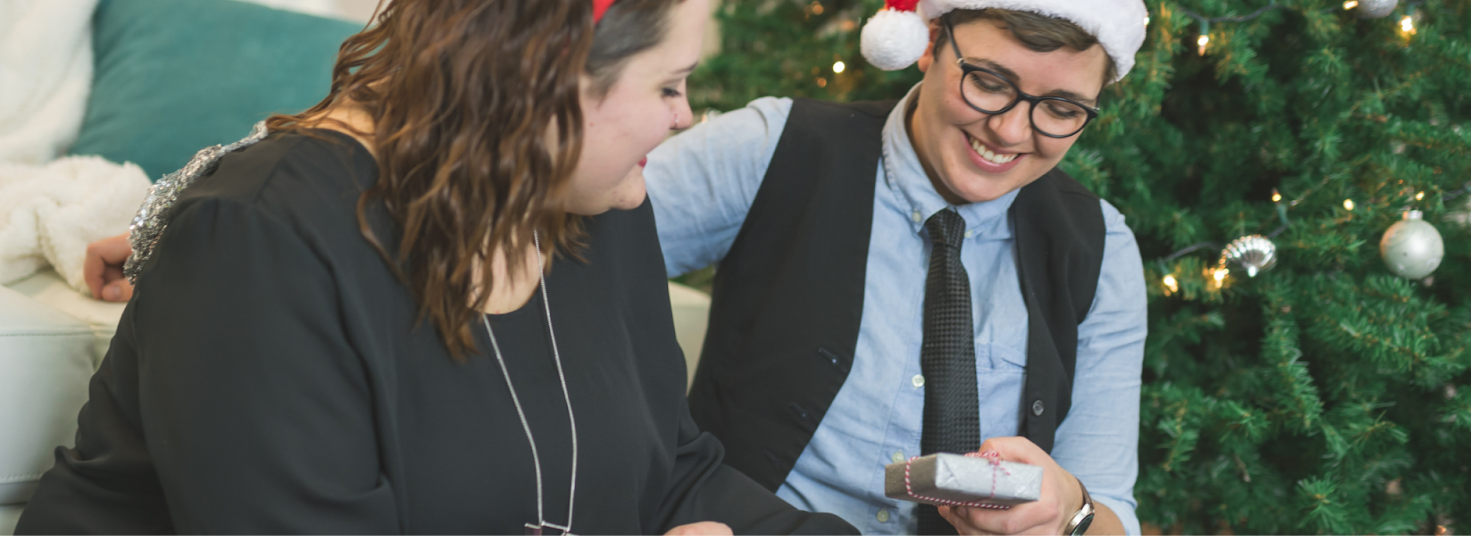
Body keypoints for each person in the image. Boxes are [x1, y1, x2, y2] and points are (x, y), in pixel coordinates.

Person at [24, 0, 857, 534]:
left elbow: (670, 474)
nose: (685, 118)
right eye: (671, 86)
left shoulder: (596, 208)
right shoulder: (261, 237)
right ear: (546, 85)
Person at [643, 0, 1149, 534]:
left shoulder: (1102, 248)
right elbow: (565, 248)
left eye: (1062, 110)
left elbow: (1111, 508)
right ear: (929, 43)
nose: (1011, 131)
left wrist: (1072, 509)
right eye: (989, 82)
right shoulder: (773, 147)